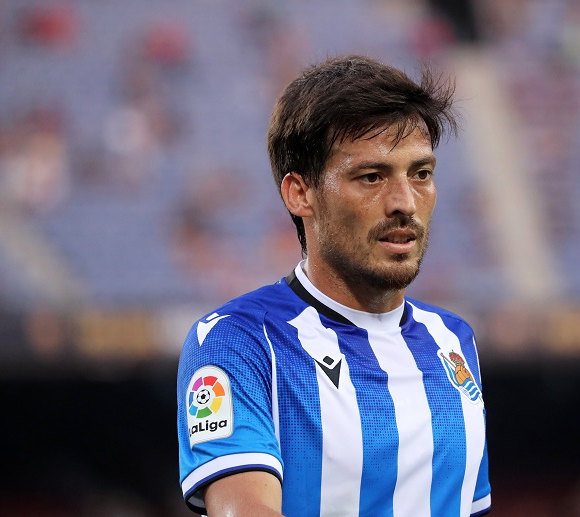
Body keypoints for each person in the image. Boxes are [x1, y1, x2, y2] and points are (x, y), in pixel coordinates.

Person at [177, 54, 491, 517]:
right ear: (300, 193)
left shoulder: (453, 341)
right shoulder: (238, 341)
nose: (405, 202)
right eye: (372, 177)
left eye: (421, 174)